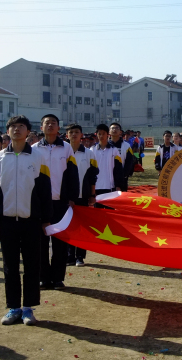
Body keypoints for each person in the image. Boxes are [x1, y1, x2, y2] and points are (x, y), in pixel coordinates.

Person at [0, 115, 53, 326]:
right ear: (7, 131)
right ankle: (14, 308)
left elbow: (45, 190)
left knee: (32, 265)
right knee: (10, 266)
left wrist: (45, 219)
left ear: (28, 131)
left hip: (31, 220)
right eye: (13, 126)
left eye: (21, 126)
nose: (16, 129)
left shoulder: (38, 157)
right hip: (7, 221)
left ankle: (28, 308)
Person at [33, 114, 79, 291]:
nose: (50, 125)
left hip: (60, 202)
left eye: (53, 123)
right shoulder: (34, 149)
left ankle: (58, 278)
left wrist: (72, 198)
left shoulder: (66, 149)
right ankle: (43, 278)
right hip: (39, 204)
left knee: (60, 243)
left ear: (59, 128)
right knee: (40, 243)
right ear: (41, 127)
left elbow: (73, 174)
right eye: (47, 123)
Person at [66, 124, 99, 267]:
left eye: (76, 132)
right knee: (68, 226)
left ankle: (80, 256)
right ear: (67, 135)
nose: (74, 134)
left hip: (83, 196)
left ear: (81, 135)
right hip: (65, 197)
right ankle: (69, 256)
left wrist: (92, 194)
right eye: (71, 132)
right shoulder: (63, 152)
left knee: (82, 227)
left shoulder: (89, 153)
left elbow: (93, 176)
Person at [91, 124, 123, 196]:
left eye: (103, 134)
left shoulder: (114, 150)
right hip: (96, 186)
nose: (101, 136)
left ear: (108, 134)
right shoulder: (92, 150)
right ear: (96, 135)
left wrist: (118, 185)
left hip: (110, 186)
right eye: (99, 134)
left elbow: (118, 169)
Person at [109, 122, 133, 192]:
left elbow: (129, 162)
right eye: (112, 128)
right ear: (109, 131)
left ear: (120, 132)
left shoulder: (127, 146)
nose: (114, 130)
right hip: (107, 177)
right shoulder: (105, 145)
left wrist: (125, 175)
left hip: (122, 177)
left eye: (117, 128)